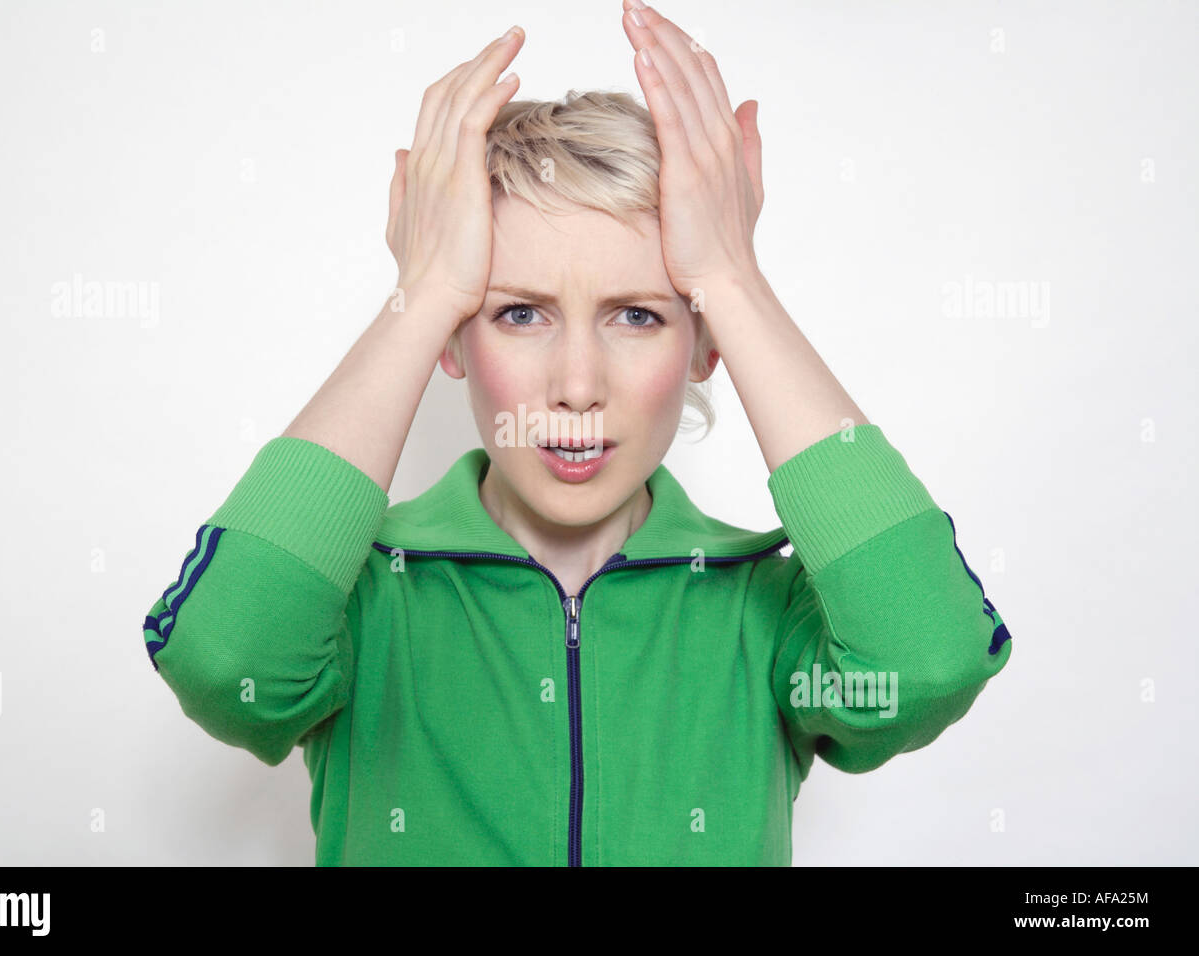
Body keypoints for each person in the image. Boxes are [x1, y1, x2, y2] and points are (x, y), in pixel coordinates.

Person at [140, 2, 1012, 866]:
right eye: (518, 312)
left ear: (707, 343)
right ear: (452, 337)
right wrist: (428, 288)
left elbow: (927, 663)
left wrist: (732, 279)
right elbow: (223, 663)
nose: (578, 387)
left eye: (638, 315)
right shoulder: (363, 600)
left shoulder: (763, 609)